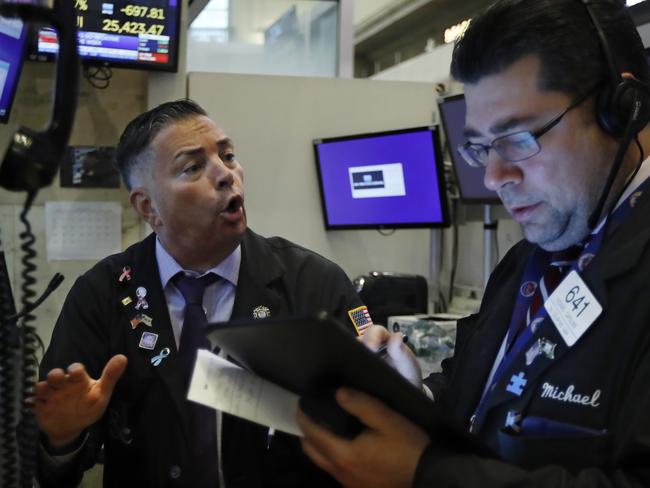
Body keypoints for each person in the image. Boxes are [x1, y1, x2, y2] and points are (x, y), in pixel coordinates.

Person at [296, 0, 650, 486]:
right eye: (481, 146)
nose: (494, 176)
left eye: (519, 138)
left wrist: (424, 475)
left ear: (621, 109)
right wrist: (411, 398)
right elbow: (484, 403)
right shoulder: (527, 261)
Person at [33, 99, 369, 487]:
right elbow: (54, 471)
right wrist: (62, 438)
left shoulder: (314, 283)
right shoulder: (102, 292)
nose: (226, 174)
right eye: (192, 167)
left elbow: (370, 434)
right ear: (148, 206)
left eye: (227, 155)